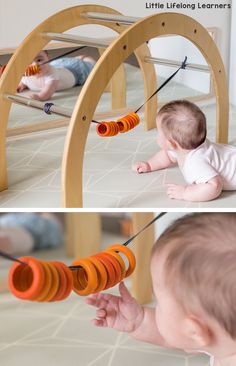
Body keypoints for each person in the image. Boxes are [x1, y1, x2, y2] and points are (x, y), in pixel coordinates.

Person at [86, 213, 236, 366]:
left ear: (194, 332)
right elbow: (177, 335)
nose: (156, 307)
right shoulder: (222, 339)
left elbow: (177, 334)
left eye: (160, 304)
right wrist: (139, 320)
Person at [132, 100, 236, 202]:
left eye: (158, 132)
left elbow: (215, 186)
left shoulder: (196, 162)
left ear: (171, 144)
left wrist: (185, 192)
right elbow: (167, 156)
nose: (157, 135)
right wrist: (149, 165)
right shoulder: (183, 148)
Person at [17, 50, 95, 101]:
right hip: (59, 65)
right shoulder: (26, 74)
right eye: (29, 62)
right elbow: (24, 81)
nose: (35, 65)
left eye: (39, 60)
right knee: (63, 63)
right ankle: (75, 58)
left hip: (76, 71)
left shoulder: (52, 73)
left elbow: (50, 89)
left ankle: (85, 58)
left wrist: (40, 97)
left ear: (48, 58)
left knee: (92, 67)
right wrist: (21, 85)